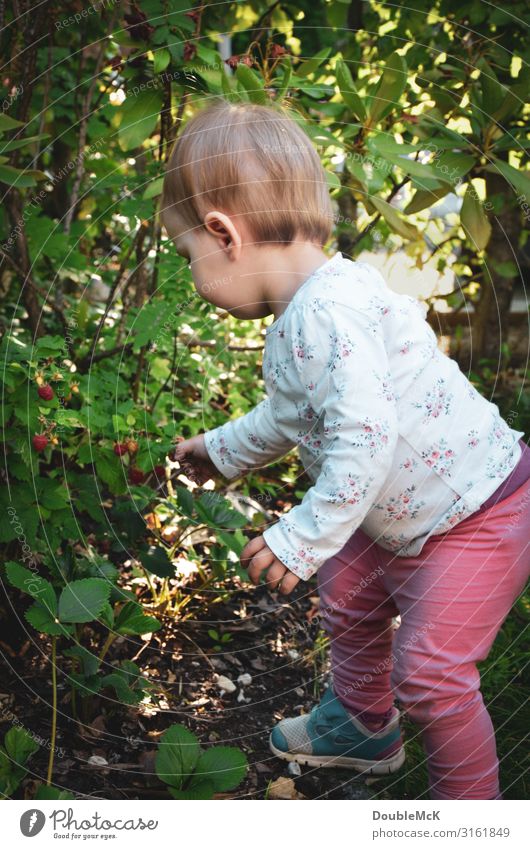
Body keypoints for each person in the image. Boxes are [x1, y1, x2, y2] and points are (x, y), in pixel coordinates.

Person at [160, 98, 530, 800]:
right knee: (349, 585)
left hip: (479, 514)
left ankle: (470, 815)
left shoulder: (328, 314)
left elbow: (364, 438)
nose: (192, 274)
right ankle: (365, 723)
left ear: (224, 233)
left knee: (430, 672)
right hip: (407, 514)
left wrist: (302, 533)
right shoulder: (312, 305)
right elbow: (292, 416)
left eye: (189, 256)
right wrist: (221, 449)